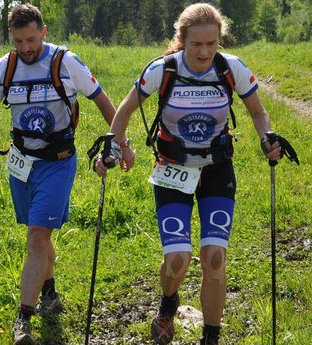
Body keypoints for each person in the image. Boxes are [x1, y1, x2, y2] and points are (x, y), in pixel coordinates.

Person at [94, 3, 281, 345]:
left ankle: (211, 336)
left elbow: (258, 112)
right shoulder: (162, 70)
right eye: (197, 44)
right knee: (178, 260)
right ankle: (168, 304)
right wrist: (113, 147)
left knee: (214, 257)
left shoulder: (230, 68)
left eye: (212, 44)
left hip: (216, 169)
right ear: (182, 40)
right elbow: (123, 111)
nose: (205, 52)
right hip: (172, 169)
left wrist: (267, 137)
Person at [0, 4, 134, 345]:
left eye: (31, 39)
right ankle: (49, 292)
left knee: (36, 237)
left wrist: (121, 143)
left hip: (58, 162)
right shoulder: (4, 68)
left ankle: (24, 319)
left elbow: (107, 104)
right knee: (39, 236)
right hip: (21, 163)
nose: (25, 47)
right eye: (19, 41)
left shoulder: (66, 62)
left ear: (43, 32)